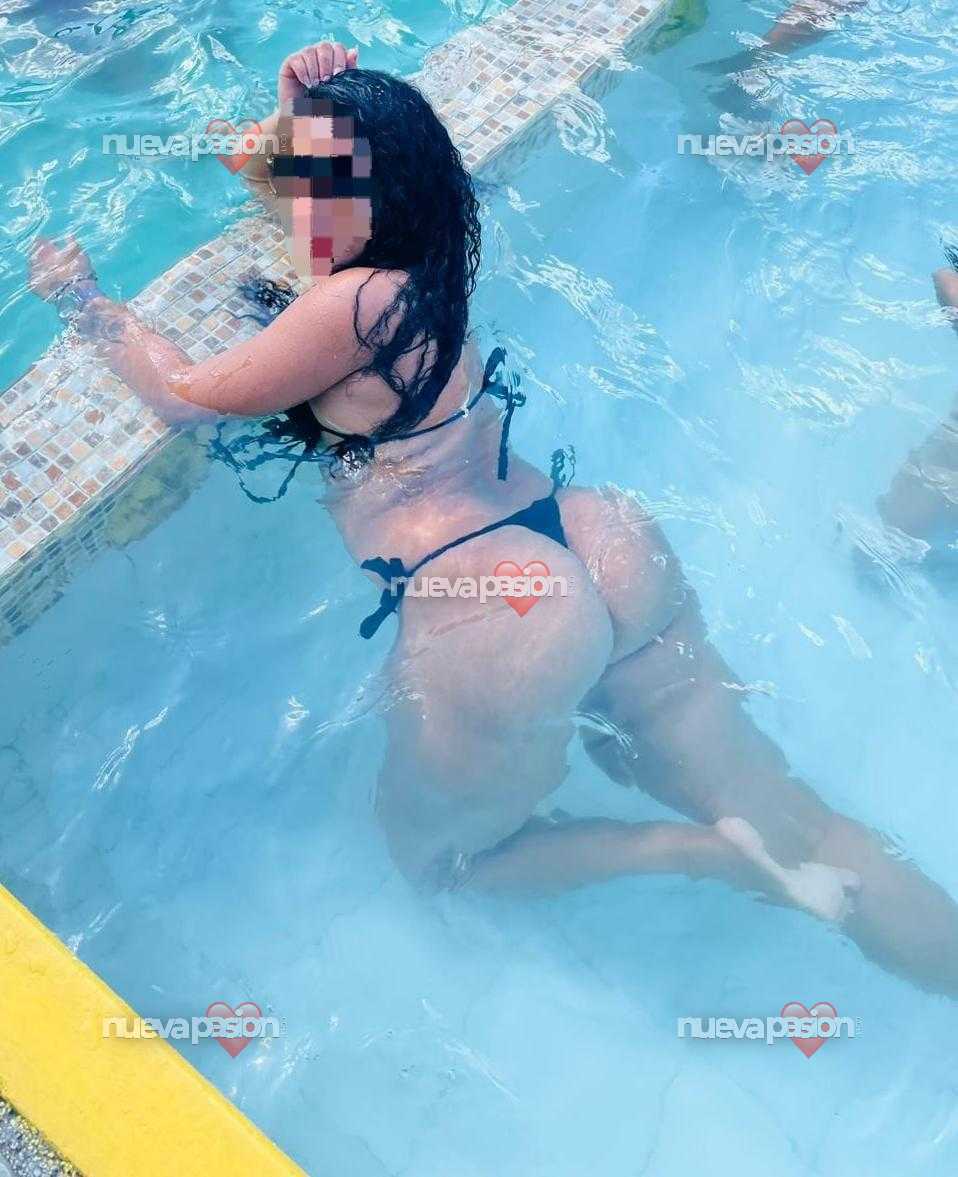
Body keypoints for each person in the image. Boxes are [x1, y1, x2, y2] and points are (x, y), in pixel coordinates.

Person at [28, 41, 958, 997]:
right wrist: (296, 110)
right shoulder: (425, 258)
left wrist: (85, 302)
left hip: (499, 604)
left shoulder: (348, 304)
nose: (297, 191)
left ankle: (701, 854)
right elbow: (307, 219)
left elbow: (184, 394)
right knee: (796, 817)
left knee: (443, 865)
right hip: (595, 536)